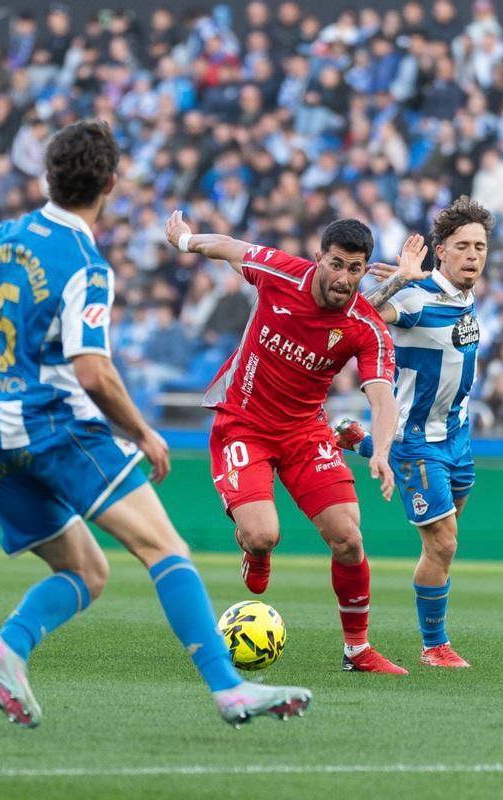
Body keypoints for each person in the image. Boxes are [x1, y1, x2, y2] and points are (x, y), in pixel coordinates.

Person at [0, 119, 310, 729]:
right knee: (167, 549)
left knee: (86, 571)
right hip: (54, 429)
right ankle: (230, 690)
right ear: (110, 183)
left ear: (48, 176)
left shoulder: (0, 235)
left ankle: (10, 645)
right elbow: (94, 372)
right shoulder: (84, 262)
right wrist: (142, 431)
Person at [163, 210, 408, 675]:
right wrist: (186, 241)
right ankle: (253, 550)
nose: (344, 278)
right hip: (243, 422)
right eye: (336, 264)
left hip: (304, 432)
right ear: (318, 258)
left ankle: (357, 651)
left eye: (355, 269)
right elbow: (230, 248)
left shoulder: (367, 327)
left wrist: (380, 450)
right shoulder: (280, 272)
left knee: (348, 538)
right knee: (262, 535)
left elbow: (382, 398)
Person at [335, 196, 494, 669]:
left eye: (480, 247)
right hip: (415, 439)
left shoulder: (464, 298)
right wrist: (403, 277)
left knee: (444, 540)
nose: (473, 255)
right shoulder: (416, 297)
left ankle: (360, 443)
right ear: (440, 251)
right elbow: (354, 315)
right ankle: (434, 646)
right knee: (443, 542)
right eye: (462, 246)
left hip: (456, 438)